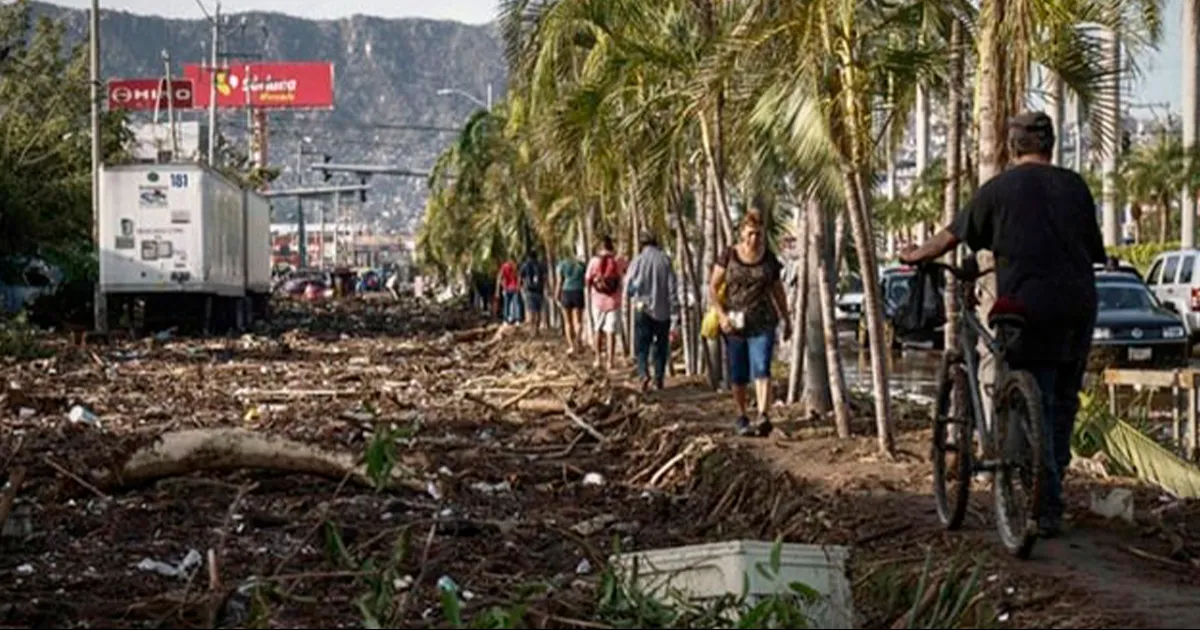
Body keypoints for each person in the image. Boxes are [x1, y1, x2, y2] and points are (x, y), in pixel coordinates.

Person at [899, 110, 1106, 538]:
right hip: (1079, 304)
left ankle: (1041, 505)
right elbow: (1089, 248)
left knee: (1037, 398)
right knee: (1063, 400)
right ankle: (1051, 488)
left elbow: (951, 236)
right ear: (1050, 147)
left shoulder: (998, 189)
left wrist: (916, 256)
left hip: (1027, 308)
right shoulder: (1075, 187)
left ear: (1012, 147)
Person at [710, 209, 792, 437]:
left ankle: (763, 415)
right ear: (741, 233)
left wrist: (787, 318)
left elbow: (779, 292)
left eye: (758, 234)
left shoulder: (769, 259)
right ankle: (741, 415)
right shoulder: (729, 255)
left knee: (762, 366)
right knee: (738, 373)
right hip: (734, 324)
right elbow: (713, 287)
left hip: (763, 322)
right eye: (750, 233)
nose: (754, 239)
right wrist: (721, 314)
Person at [624, 232, 680, 391]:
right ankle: (659, 379)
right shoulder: (665, 260)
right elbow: (672, 288)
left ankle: (643, 374)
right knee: (660, 346)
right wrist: (675, 311)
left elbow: (629, 286)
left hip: (643, 308)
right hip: (663, 311)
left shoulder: (638, 261)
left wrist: (633, 294)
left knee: (642, 345)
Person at [586, 236, 626, 371]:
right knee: (611, 332)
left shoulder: (594, 261)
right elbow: (625, 273)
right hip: (614, 300)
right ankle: (611, 361)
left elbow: (587, 280)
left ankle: (598, 359)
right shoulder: (618, 260)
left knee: (598, 329)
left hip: (597, 300)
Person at [557, 254, 587, 354]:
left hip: (566, 292)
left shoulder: (562, 264)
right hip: (578, 292)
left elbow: (559, 281)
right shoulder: (582, 265)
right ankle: (578, 341)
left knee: (567, 322)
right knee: (578, 321)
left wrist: (557, 294)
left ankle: (571, 346)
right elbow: (585, 280)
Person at [520, 251, 547, 332]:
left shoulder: (525, 265)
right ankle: (537, 328)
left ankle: (532, 329)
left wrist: (521, 287)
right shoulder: (541, 265)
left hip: (529, 291)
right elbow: (545, 277)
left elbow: (521, 277)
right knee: (538, 311)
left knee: (531, 310)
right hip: (539, 290)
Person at [496, 258, 522, 325]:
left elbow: (518, 277)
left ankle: (511, 319)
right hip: (510, 288)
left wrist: (517, 286)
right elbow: (500, 277)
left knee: (511, 304)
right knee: (511, 304)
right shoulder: (509, 266)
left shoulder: (509, 266)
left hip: (511, 288)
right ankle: (511, 319)